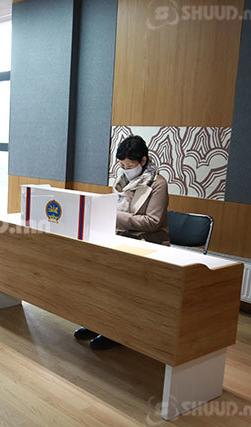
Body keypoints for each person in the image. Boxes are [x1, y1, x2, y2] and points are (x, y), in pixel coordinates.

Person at [74, 135, 170, 350]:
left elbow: (152, 222)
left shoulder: (158, 184)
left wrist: (112, 215)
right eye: (122, 165)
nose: (126, 170)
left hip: (147, 243)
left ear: (143, 160)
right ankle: (96, 322)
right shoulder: (122, 181)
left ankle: (115, 331)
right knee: (95, 273)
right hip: (122, 237)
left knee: (118, 281)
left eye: (130, 165)